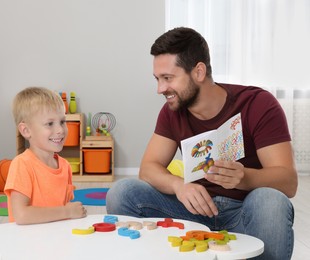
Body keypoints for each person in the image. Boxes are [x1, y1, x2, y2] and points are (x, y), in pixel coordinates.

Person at [106, 27, 297, 259]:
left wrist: (245, 177)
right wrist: (179, 186)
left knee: (271, 201)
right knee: (123, 192)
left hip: (245, 212)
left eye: (168, 78)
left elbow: (288, 182)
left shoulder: (258, 104)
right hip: (193, 211)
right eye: (158, 79)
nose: (160, 89)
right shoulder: (171, 112)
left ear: (198, 72)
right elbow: (149, 168)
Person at [4, 87, 87, 225]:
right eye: (49, 124)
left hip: (56, 239)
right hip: (27, 243)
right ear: (26, 130)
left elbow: (63, 211)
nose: (60, 130)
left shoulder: (65, 166)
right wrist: (67, 212)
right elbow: (21, 215)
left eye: (62, 122)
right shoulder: (22, 165)